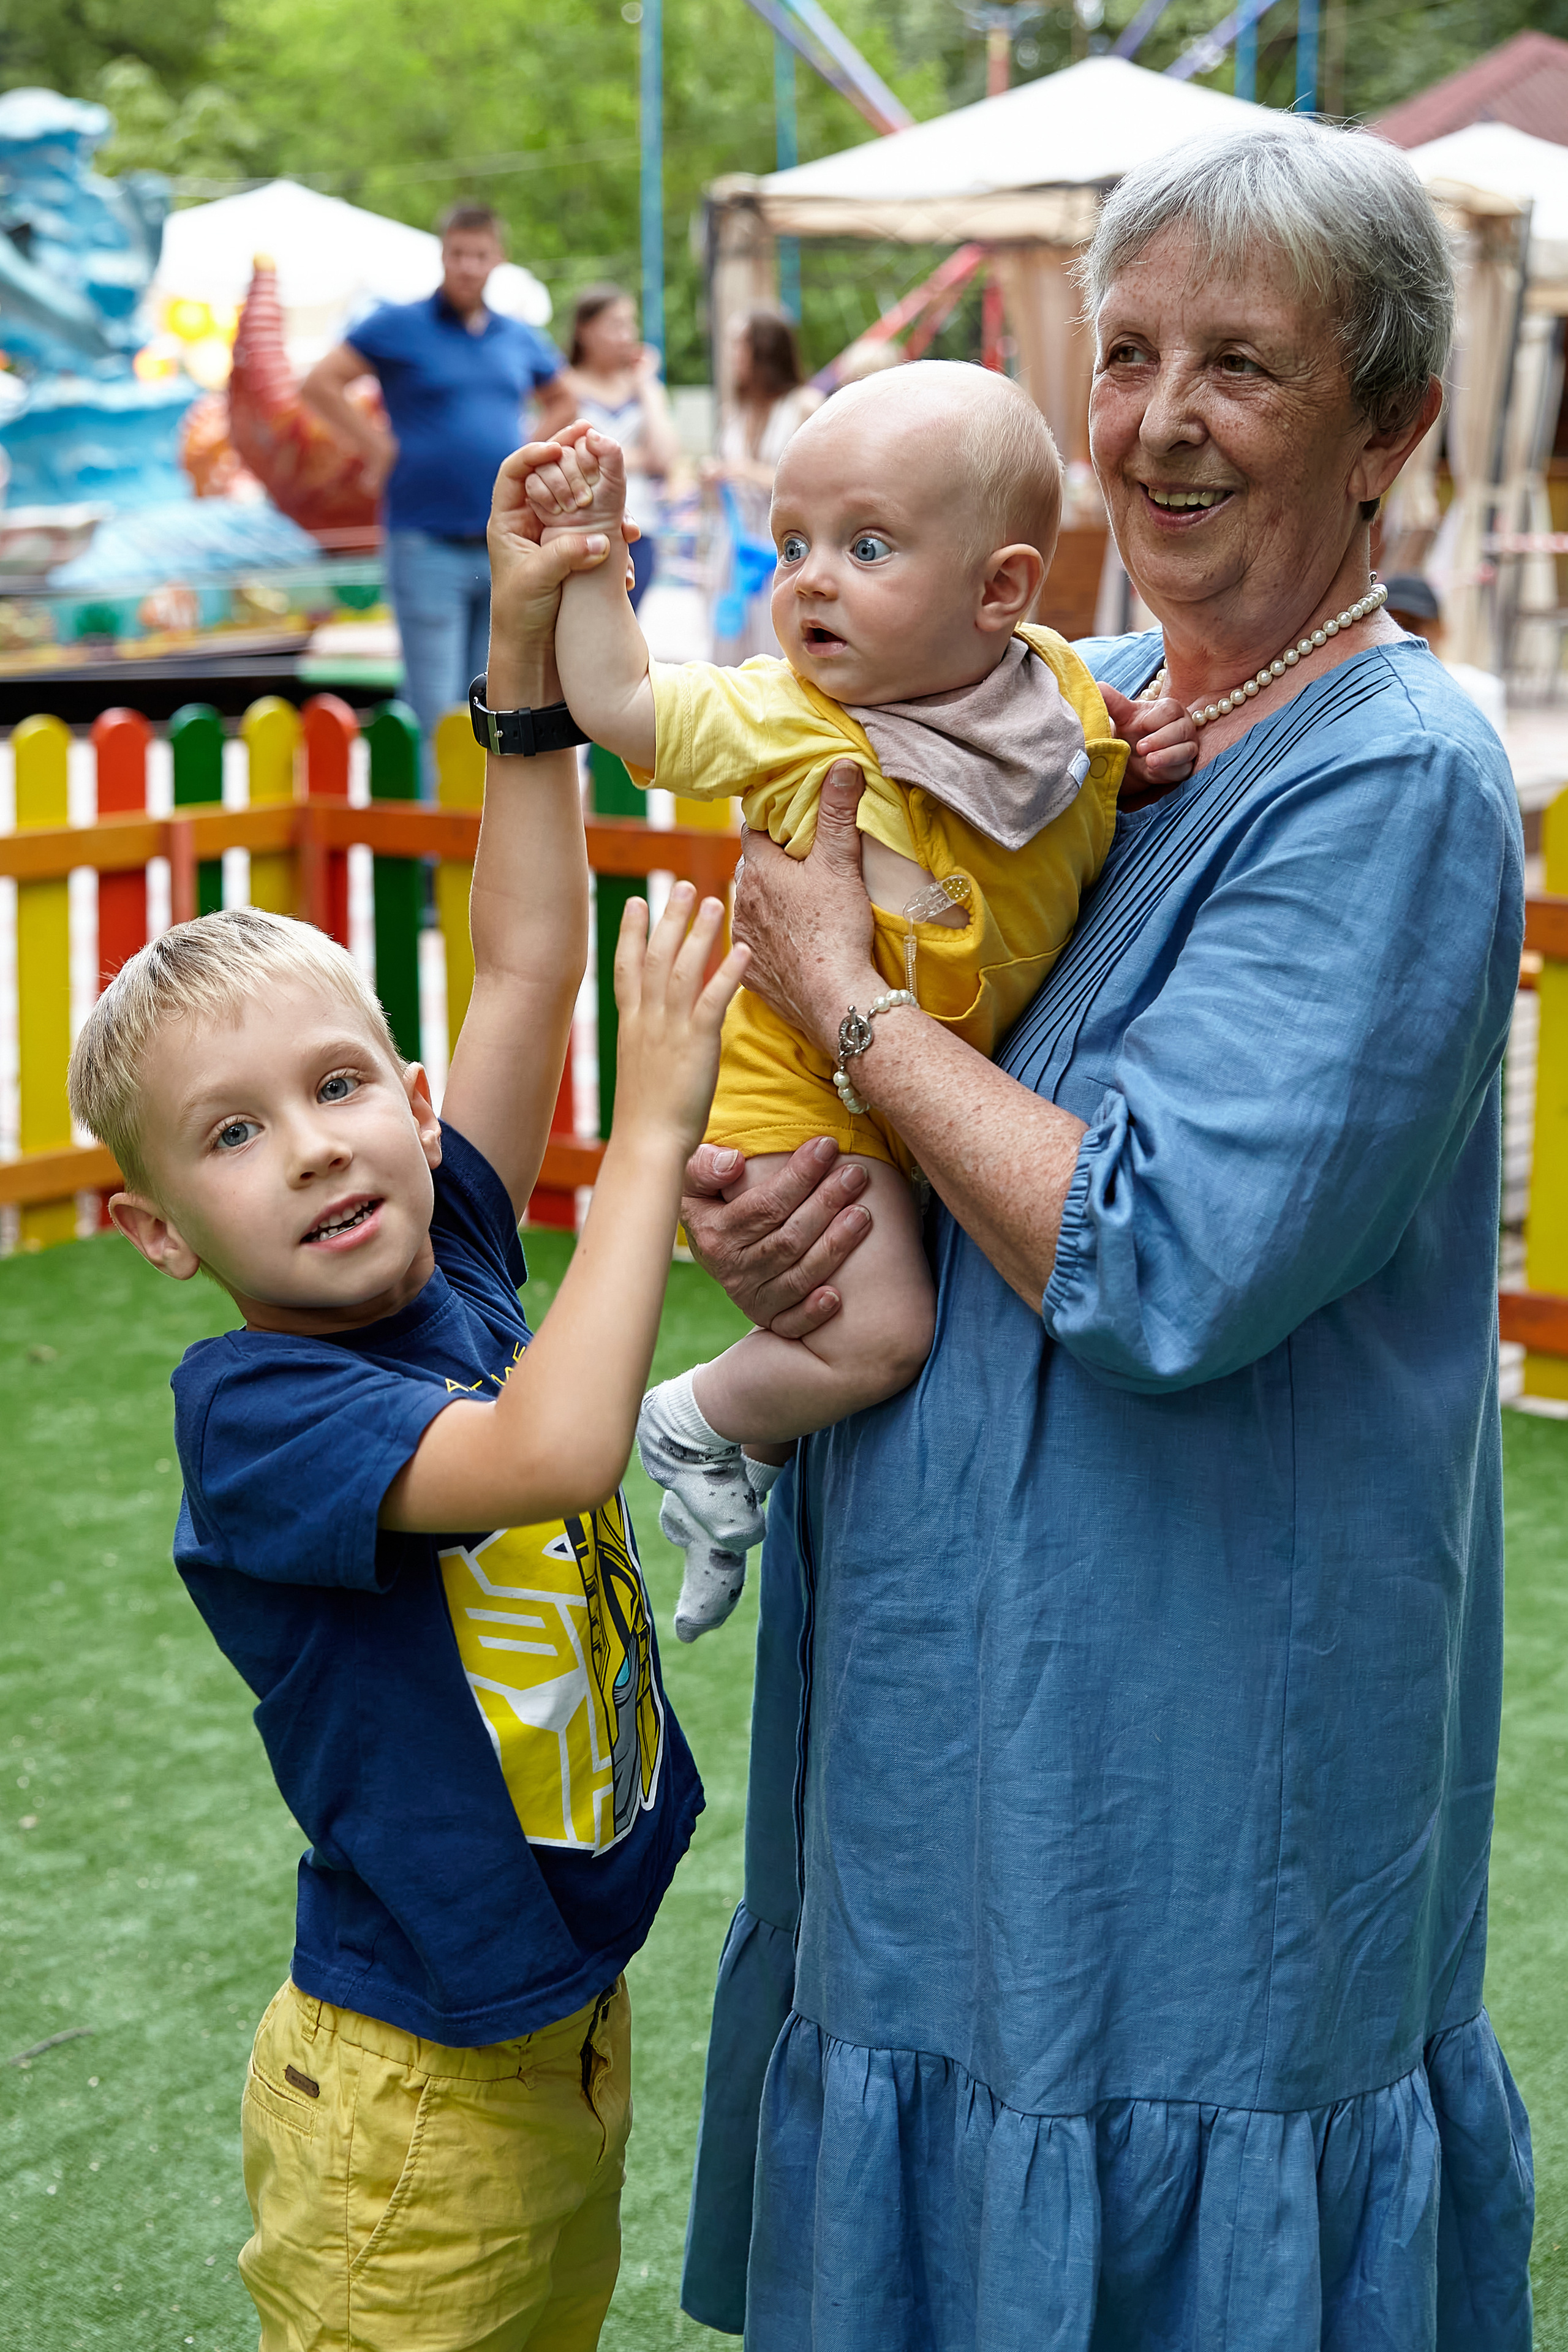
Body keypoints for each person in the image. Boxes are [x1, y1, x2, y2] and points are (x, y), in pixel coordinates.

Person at [655, 118, 1531, 2343]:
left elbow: (1155, 1256)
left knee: (1165, 2169)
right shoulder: (1063, 717)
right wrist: (799, 1228)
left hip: (1190, 1729)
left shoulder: (1387, 775)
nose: (1151, 420)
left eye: (1236, 364)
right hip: (955, 1688)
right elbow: (962, 1143)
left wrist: (843, 1001)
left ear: (1386, 431)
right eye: (1122, 352)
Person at [65, 463, 747, 2350]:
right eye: (233, 1132)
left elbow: (528, 952)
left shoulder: (443, 1250)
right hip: (410, 2093)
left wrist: (526, 652)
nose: (312, 1145)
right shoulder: (268, 1409)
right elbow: (549, 1449)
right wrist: (653, 1140)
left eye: (342, 1081)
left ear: (416, 1095)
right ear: (156, 1229)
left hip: (554, 2024)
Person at [522, 370, 1198, 1640]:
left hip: (915, 1083)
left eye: (865, 545)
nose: (811, 578)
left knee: (861, 1324)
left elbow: (1093, 768)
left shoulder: (1051, 695)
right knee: (880, 1335)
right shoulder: (779, 718)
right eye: (791, 545)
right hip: (801, 1090)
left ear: (998, 592)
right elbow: (614, 702)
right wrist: (587, 562)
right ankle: (700, 1418)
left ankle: (747, 1463)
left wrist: (1137, 761)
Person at [301, 203, 575, 791]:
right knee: (433, 707)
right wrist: (374, 448)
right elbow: (320, 383)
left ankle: (477, 853)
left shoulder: (516, 337)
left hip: (499, 545)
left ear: (495, 259)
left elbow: (563, 398)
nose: (468, 267)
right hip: (424, 539)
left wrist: (527, 455)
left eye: (479, 255)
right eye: (458, 254)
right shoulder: (398, 326)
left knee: (492, 700)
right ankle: (429, 865)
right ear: (443, 255)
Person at [706, 309, 822, 661]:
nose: (733, 355)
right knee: (729, 647)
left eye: (741, 344)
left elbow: (819, 483)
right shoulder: (734, 412)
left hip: (783, 547)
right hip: (735, 545)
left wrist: (743, 471)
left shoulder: (805, 406)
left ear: (766, 350)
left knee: (781, 648)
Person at [564, 282, 680, 611]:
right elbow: (564, 455)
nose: (628, 334)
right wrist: (635, 458)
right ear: (584, 330)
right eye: (616, 325)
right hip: (581, 527)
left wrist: (647, 385)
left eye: (631, 324)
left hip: (640, 526)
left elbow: (666, 455)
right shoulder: (563, 386)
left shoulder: (642, 387)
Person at [1383, 570, 1508, 734]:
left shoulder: (1479, 692)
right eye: (1389, 625)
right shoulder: (1364, 694)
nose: (1401, 636)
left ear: (1441, 629)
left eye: (1411, 625)